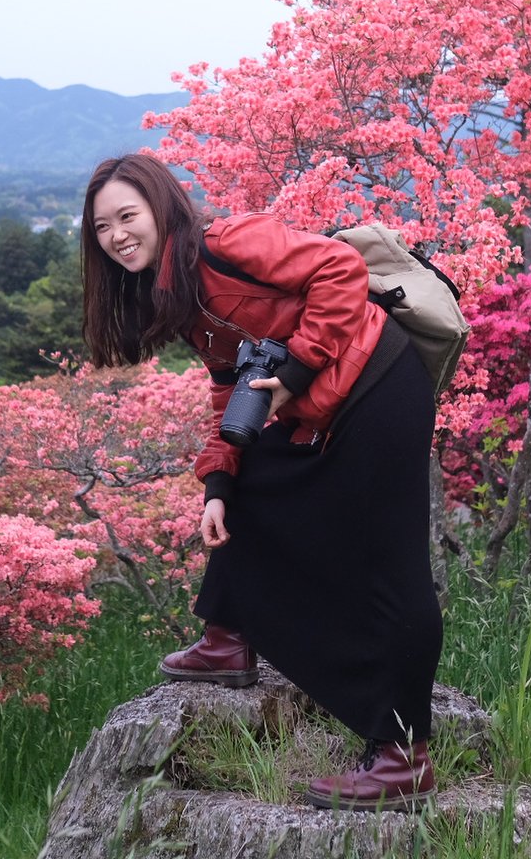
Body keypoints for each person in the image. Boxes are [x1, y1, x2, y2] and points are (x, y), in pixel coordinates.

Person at [80, 153, 443, 812]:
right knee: (243, 481)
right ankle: (229, 638)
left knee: (390, 564)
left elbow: (340, 269)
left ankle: (401, 755)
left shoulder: (224, 245)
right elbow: (230, 385)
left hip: (381, 384)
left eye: (127, 217)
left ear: (161, 210)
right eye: (102, 227)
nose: (116, 236)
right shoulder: (180, 292)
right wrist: (217, 482)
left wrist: (299, 369)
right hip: (327, 400)